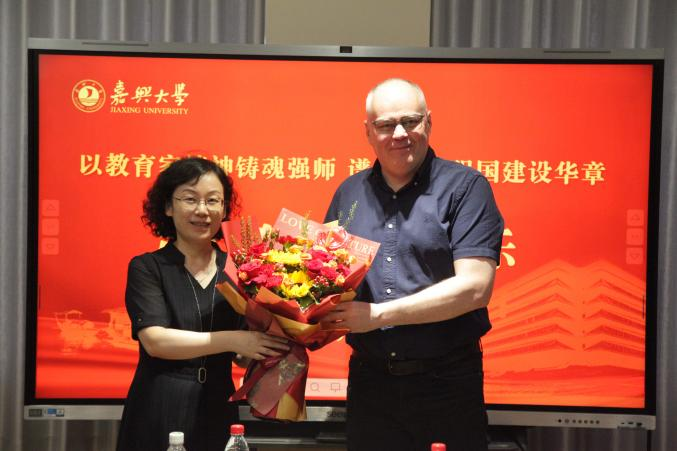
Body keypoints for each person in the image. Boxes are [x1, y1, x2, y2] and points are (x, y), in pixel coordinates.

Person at [323, 79, 504, 451]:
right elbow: (323, 277)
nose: (400, 134)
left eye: (410, 121)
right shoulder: (349, 193)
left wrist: (378, 315)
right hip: (370, 384)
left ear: (429, 122)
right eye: (386, 125)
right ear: (368, 132)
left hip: (447, 384)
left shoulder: (466, 188)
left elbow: (475, 288)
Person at [116, 157, 289, 451]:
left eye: (212, 200)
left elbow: (242, 357)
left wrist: (279, 336)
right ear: (168, 207)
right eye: (190, 199)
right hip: (159, 403)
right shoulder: (148, 267)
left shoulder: (241, 269)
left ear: (224, 209)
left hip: (218, 404)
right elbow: (155, 341)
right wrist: (234, 340)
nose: (202, 210)